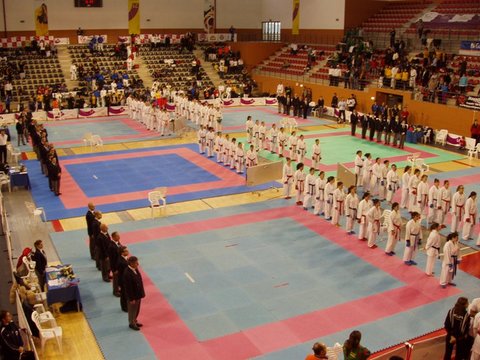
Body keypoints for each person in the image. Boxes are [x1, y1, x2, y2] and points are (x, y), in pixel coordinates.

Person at [123, 256, 145, 331]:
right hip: (133, 296)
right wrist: (131, 298)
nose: (138, 264)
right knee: (132, 310)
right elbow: (128, 288)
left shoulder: (135, 269)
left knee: (137, 309)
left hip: (138, 293)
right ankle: (131, 323)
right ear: (131, 263)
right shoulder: (127, 273)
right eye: (136, 263)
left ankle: (134, 320)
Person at [108, 232, 123, 297]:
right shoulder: (111, 246)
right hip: (116, 267)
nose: (119, 237)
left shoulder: (118, 243)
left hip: (119, 265)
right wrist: (114, 269)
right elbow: (112, 259)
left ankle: (119, 289)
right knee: (116, 280)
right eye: (117, 236)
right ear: (113, 237)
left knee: (119, 279)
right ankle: (115, 291)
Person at [117, 246, 129, 312]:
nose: (128, 252)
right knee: (124, 294)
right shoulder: (121, 262)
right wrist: (120, 283)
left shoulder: (125, 259)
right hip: (123, 281)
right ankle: (124, 307)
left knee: (125, 294)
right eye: (126, 251)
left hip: (125, 280)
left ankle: (125, 306)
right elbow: (121, 274)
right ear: (122, 253)